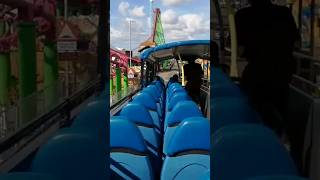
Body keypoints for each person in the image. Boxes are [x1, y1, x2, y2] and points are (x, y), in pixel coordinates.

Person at [235, 0, 300, 136]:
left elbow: (239, 50)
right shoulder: (284, 13)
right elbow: (296, 43)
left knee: (255, 113)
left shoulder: (242, 15)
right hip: (282, 72)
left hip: (257, 74)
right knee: (280, 110)